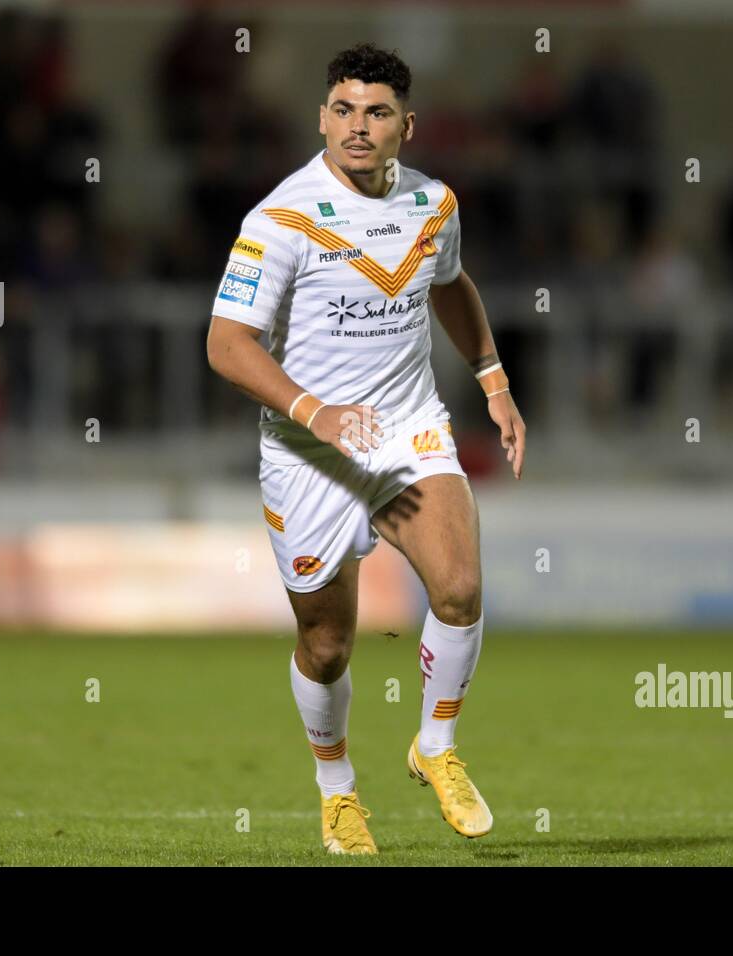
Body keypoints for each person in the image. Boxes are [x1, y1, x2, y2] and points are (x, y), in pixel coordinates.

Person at [206, 43, 526, 854]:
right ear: (321, 118)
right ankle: (337, 789)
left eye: (376, 112)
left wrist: (492, 381)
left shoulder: (434, 205)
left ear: (406, 126)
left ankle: (437, 746)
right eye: (343, 109)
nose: (358, 126)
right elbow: (226, 343)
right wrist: (315, 415)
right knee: (327, 644)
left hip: (406, 429)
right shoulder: (280, 218)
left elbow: (449, 283)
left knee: (458, 590)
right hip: (308, 450)